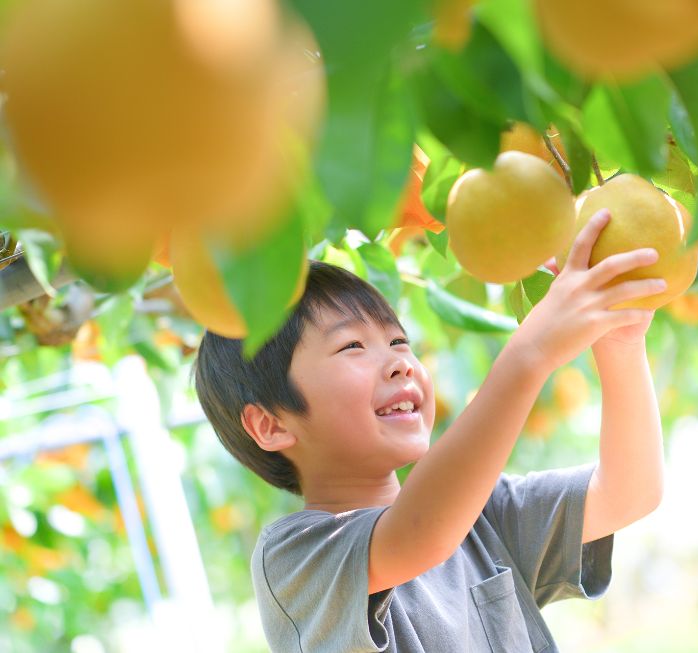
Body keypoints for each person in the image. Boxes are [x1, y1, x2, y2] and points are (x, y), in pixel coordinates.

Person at [192, 208, 667, 652]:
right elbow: (421, 533)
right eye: (352, 346)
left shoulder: (480, 517)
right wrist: (530, 351)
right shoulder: (294, 560)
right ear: (270, 424)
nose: (399, 362)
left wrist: (619, 341)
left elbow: (630, 493)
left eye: (399, 340)